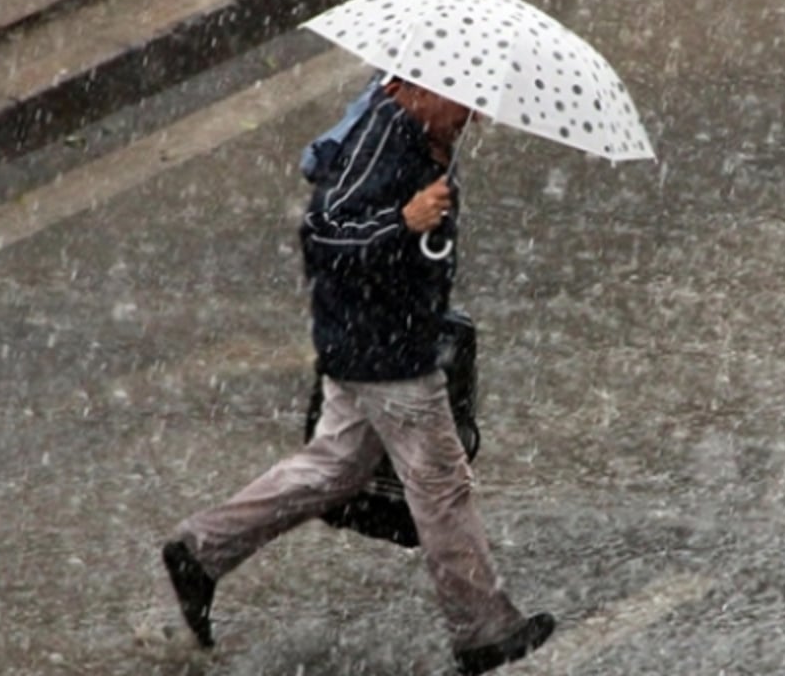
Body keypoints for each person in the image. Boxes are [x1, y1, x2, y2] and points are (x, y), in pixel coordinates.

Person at [160, 77, 555, 675]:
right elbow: (324, 234)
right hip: (384, 351)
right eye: (463, 100)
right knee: (441, 484)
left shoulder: (414, 133)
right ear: (416, 86)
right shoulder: (383, 137)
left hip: (375, 340)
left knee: (335, 466)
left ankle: (202, 549)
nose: (473, 115)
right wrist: (405, 221)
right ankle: (484, 631)